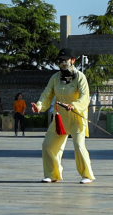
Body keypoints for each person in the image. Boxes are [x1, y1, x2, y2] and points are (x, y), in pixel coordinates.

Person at [31, 48, 95, 183]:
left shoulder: (80, 77)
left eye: (65, 60)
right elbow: (47, 94)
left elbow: (85, 97)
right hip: (60, 118)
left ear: (73, 60)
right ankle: (52, 174)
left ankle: (87, 175)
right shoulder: (55, 78)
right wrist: (39, 106)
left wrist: (74, 105)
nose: (62, 63)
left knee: (79, 146)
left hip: (76, 117)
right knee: (47, 145)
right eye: (60, 61)